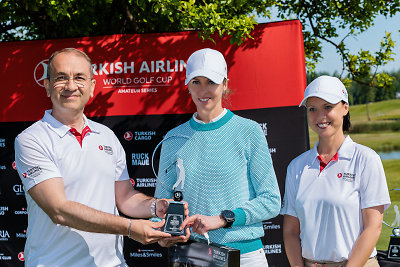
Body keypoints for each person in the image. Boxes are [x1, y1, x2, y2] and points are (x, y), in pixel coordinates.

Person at [14, 48, 182, 266]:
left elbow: (124, 196)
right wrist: (129, 228)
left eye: (80, 78)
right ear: (46, 86)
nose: (71, 86)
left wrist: (154, 206)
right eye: (61, 77)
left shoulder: (107, 136)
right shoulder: (31, 139)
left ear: (92, 87)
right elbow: (59, 210)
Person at [154, 48, 281, 266]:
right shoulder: (173, 139)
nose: (204, 90)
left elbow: (271, 201)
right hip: (193, 256)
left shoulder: (249, 131)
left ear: (225, 84)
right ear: (187, 86)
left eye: (211, 82)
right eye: (196, 82)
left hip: (246, 257)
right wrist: (165, 234)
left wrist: (222, 219)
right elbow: (160, 207)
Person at [281, 75, 391, 267]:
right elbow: (291, 231)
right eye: (312, 109)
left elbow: (373, 227)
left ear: (345, 108)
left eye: (328, 107)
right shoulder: (297, 167)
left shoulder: (366, 159)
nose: (320, 116)